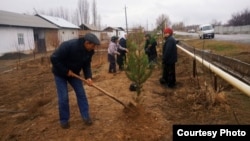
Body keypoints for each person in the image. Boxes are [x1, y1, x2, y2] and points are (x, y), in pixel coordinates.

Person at [50, 33, 100, 129]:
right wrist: (65, 71)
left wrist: (88, 77)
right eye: (93, 45)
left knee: (81, 94)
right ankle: (64, 120)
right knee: (63, 97)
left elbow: (86, 65)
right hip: (60, 73)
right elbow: (54, 58)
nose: (94, 48)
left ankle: (86, 116)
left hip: (74, 74)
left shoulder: (89, 51)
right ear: (87, 43)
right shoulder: (69, 46)